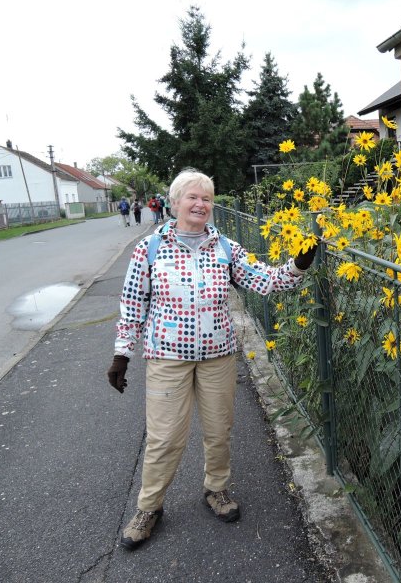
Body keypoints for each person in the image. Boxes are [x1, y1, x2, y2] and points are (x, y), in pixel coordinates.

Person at [107, 169, 318, 551]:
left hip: (217, 355)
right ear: (174, 203)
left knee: (219, 430)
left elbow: (266, 280)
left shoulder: (226, 248)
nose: (200, 204)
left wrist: (298, 265)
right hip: (167, 356)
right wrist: (122, 353)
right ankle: (148, 508)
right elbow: (133, 303)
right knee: (164, 437)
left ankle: (216, 489)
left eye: (207, 198)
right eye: (192, 197)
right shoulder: (151, 248)